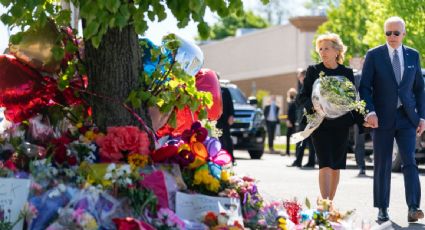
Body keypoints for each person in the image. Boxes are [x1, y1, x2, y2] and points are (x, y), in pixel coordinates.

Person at [359, 16, 425, 222]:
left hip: (407, 118)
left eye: (396, 33)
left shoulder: (413, 55)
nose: (392, 36)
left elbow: (420, 89)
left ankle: (414, 207)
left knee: (410, 161)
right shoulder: (374, 55)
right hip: (381, 119)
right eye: (388, 33)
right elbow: (364, 87)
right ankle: (382, 208)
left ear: (404, 34)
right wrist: (370, 111)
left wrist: (422, 116)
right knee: (383, 164)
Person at [297, 33, 363, 200]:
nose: (323, 52)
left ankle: (330, 203)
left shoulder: (346, 72)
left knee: (336, 165)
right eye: (320, 49)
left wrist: (363, 121)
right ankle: (325, 204)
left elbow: (352, 99)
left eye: (326, 48)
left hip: (341, 125)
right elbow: (302, 97)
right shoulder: (314, 70)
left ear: (336, 51)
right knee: (325, 163)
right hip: (320, 124)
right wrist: (317, 106)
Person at [289, 69, 316, 168]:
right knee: (307, 141)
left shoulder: (307, 86)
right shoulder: (306, 86)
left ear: (303, 77)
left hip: (307, 118)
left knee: (302, 141)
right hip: (305, 118)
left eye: (300, 77)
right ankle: (308, 161)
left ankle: (300, 161)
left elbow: (304, 101)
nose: (299, 79)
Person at [217, 86, 235, 164]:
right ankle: (218, 158)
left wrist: (231, 115)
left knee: (227, 139)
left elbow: (230, 103)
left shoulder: (224, 90)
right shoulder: (209, 88)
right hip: (214, 118)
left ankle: (231, 159)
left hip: (224, 119)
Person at [353, 71, 366, 175]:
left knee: (378, 142)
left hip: (376, 113)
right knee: (359, 142)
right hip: (359, 114)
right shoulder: (356, 76)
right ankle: (361, 166)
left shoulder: (379, 74)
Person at [285, 88, 297, 156]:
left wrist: (288, 121)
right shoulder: (293, 101)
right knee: (291, 137)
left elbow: (289, 112)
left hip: (292, 121)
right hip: (293, 121)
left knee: (292, 137)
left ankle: (289, 152)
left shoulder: (292, 102)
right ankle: (289, 152)